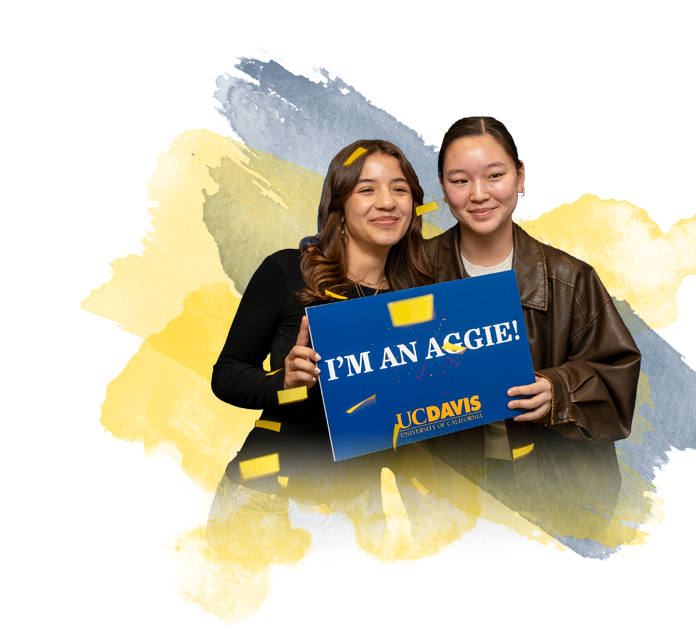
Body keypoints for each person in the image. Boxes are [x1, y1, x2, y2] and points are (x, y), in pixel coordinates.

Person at [205, 139, 433, 560]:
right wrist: (285, 382)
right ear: (339, 204)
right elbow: (227, 373)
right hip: (267, 498)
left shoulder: (422, 303)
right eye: (367, 189)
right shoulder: (286, 271)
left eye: (400, 189)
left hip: (359, 510)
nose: (387, 202)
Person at [424, 116, 642, 542]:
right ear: (443, 187)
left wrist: (558, 390)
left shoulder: (570, 279)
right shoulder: (412, 273)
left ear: (520, 176)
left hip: (552, 494)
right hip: (449, 497)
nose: (480, 194)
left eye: (495, 175)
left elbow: (619, 378)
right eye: (460, 180)